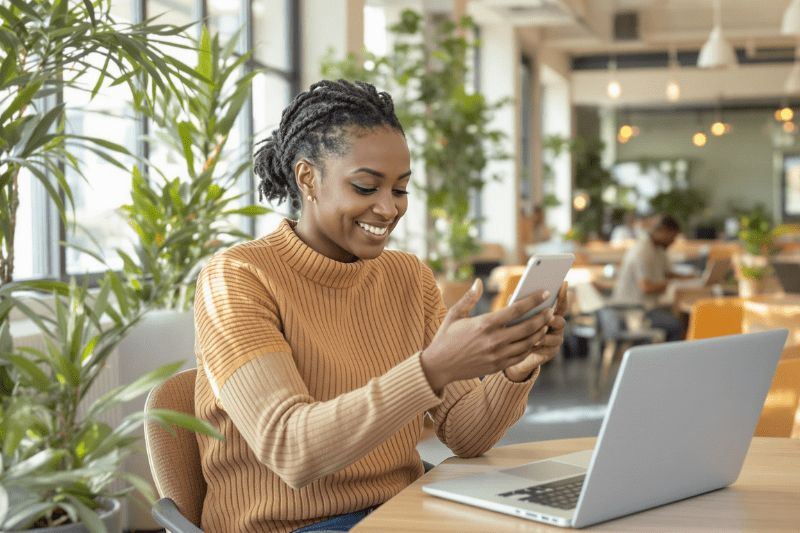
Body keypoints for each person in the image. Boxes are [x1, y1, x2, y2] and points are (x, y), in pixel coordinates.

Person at [192, 79, 569, 533]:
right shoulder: (238, 277)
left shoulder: (408, 277)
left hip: (399, 510)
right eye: (366, 187)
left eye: (400, 190)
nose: (388, 210)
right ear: (306, 177)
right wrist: (431, 369)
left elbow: (467, 438)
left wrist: (515, 366)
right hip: (291, 525)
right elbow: (291, 450)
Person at [609, 214, 693, 342]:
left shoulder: (659, 249)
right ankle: (663, 359)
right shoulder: (642, 251)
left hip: (647, 307)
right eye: (672, 237)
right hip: (633, 311)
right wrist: (668, 283)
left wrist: (690, 277)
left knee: (679, 316)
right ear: (662, 231)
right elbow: (646, 288)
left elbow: (668, 273)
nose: (673, 241)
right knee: (677, 326)